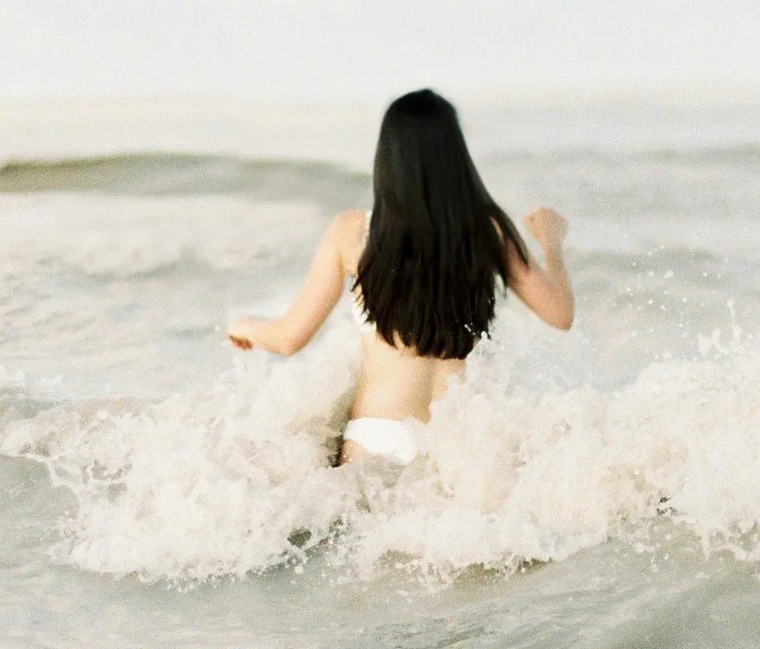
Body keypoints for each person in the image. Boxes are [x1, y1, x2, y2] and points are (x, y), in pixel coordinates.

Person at [225, 90, 572, 462]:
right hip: (453, 449)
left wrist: (245, 326)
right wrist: (551, 243)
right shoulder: (488, 231)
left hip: (373, 438)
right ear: (455, 156)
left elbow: (288, 339)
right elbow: (560, 314)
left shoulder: (353, 232)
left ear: (388, 158)